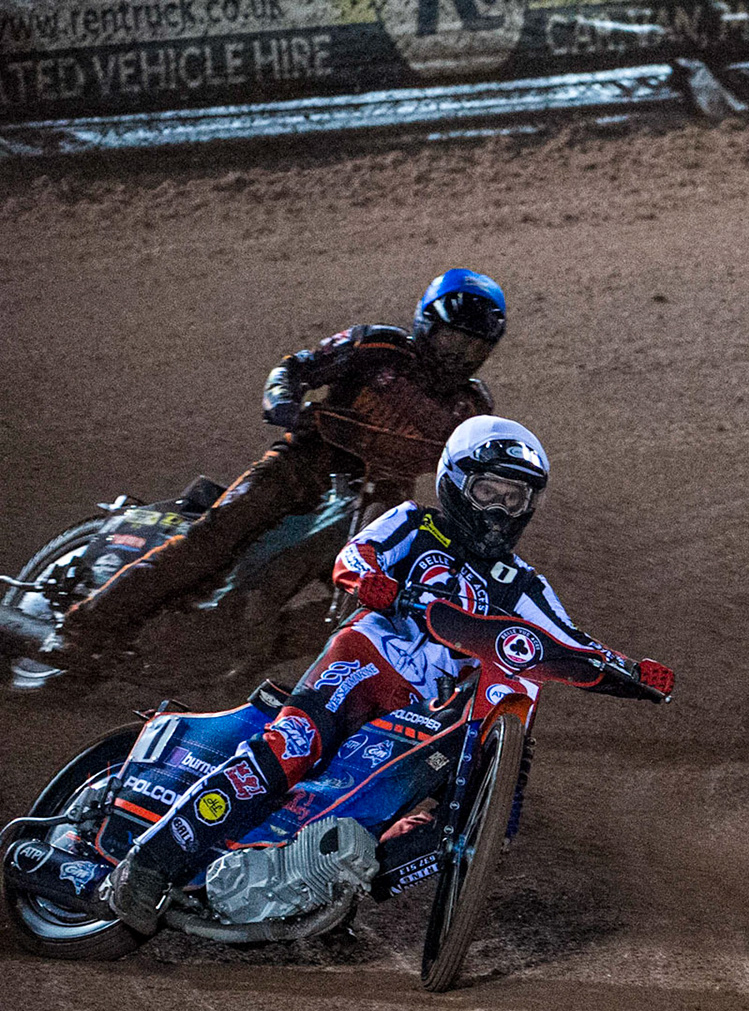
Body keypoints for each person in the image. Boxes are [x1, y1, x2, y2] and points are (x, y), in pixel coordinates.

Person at [102, 416, 675, 933]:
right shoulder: (417, 525)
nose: (500, 509)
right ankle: (152, 861)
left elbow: (569, 642)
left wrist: (630, 670)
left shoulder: (524, 583)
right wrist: (374, 582)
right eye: (488, 491)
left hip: (429, 707)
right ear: (455, 483)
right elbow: (355, 557)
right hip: (368, 657)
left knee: (471, 810)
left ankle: (328, 881)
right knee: (295, 744)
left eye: (514, 497)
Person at [46, 270, 509, 664]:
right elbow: (295, 368)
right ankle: (80, 626)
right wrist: (284, 403)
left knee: (387, 603)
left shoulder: (473, 406)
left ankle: (253, 654)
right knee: (211, 540)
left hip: (384, 502)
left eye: (472, 348)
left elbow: (473, 467)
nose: (458, 355)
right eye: (452, 340)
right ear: (427, 325)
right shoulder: (377, 347)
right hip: (305, 465)